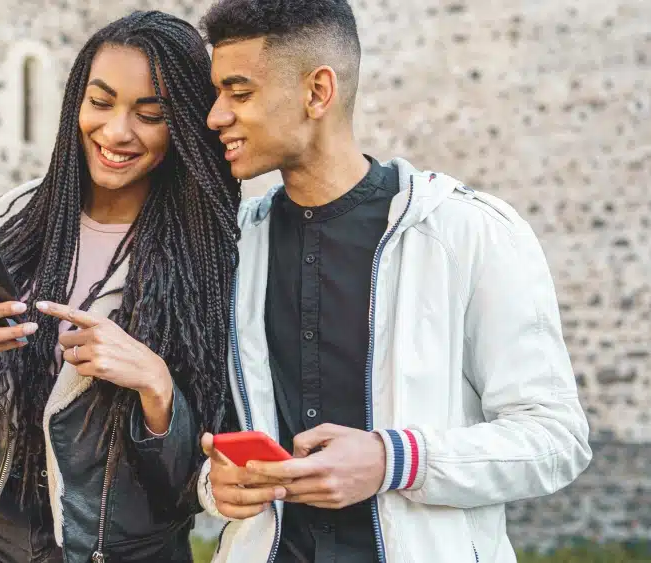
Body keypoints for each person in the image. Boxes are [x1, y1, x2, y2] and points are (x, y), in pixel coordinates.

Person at [194, 1, 593, 562]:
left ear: (317, 92)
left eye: (239, 93)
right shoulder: (230, 248)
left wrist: (392, 459)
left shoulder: (467, 232)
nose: (215, 116)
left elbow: (556, 439)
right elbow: (215, 438)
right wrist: (217, 486)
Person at [0, 10, 241, 563]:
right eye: (101, 102)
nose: (117, 131)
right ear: (76, 104)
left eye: (150, 114)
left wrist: (155, 384)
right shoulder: (12, 219)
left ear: (183, 124)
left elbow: (197, 481)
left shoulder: (212, 256)